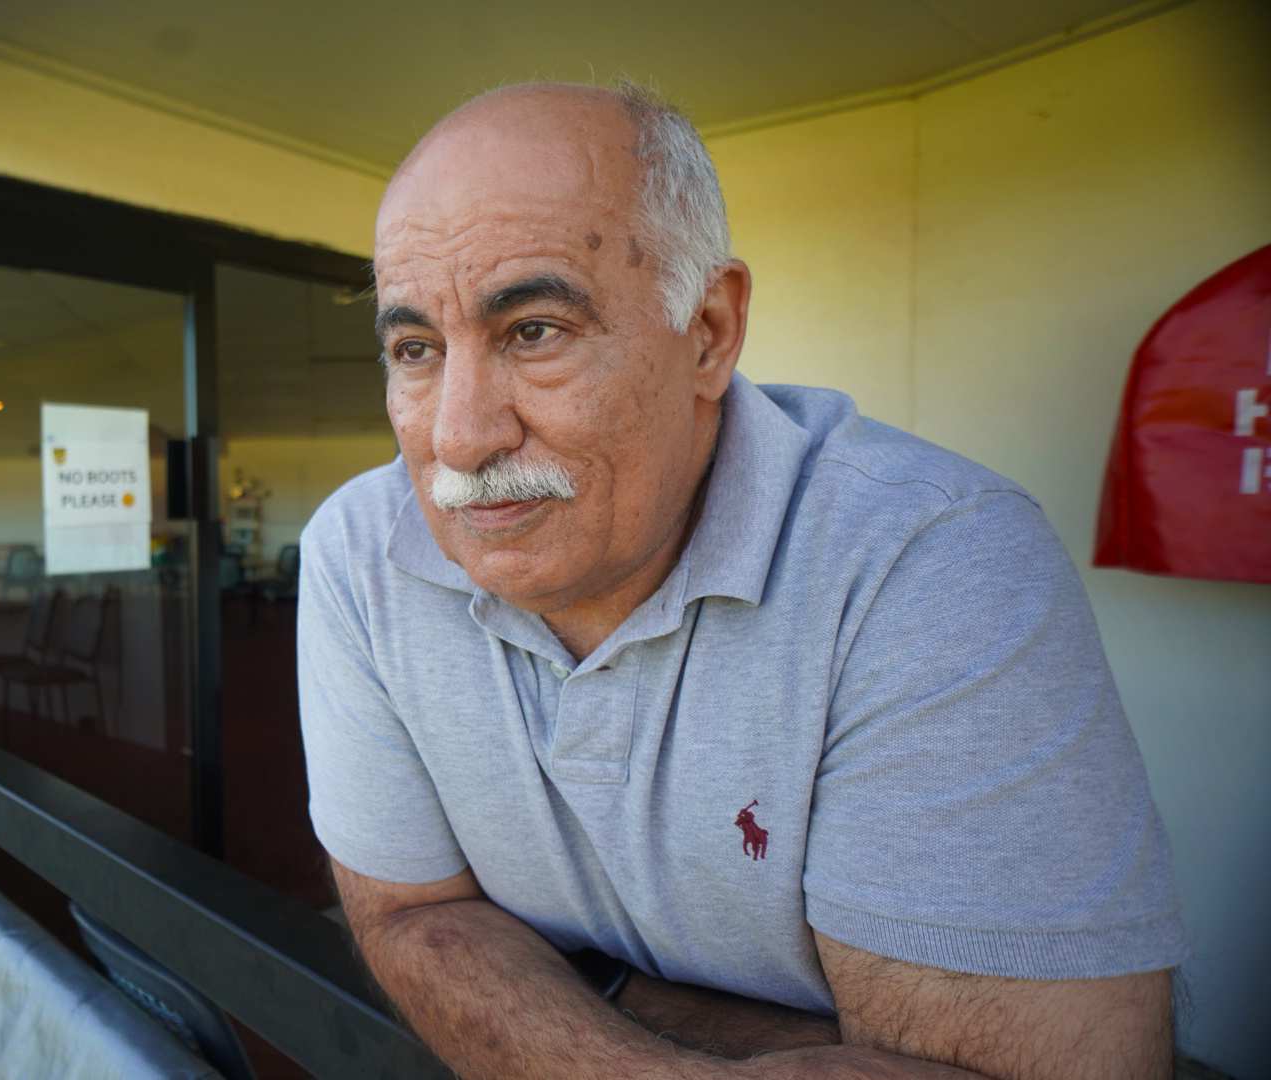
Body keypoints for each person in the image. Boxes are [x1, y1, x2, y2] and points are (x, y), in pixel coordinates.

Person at [297, 81, 1184, 1078]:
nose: (460, 437)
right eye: (415, 348)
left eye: (534, 330)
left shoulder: (928, 560)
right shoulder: (361, 552)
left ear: (709, 332)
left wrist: (580, 990)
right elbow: (410, 917)